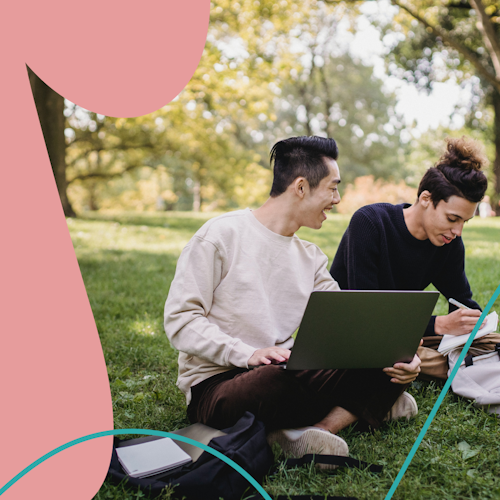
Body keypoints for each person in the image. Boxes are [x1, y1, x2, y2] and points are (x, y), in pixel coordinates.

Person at [164, 136, 421, 459]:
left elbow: (348, 326)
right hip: (219, 386)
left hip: (285, 367)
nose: (337, 199)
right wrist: (247, 354)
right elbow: (181, 321)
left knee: (382, 358)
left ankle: (317, 430)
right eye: (332, 187)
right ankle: (363, 405)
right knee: (277, 379)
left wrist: (398, 355)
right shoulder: (219, 236)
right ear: (301, 187)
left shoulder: (311, 257)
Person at [330, 136, 495, 379]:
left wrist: (473, 321)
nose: (458, 231)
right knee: (387, 352)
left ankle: (437, 363)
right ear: (426, 199)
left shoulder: (448, 242)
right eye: (452, 219)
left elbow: (461, 300)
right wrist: (439, 325)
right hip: (355, 332)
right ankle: (442, 365)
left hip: (405, 335)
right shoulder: (370, 223)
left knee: (493, 343)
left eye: (464, 222)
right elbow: (365, 314)